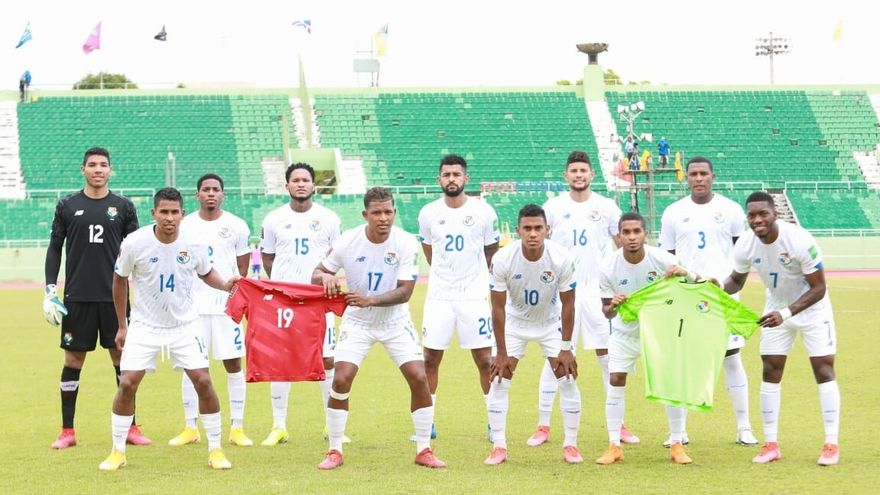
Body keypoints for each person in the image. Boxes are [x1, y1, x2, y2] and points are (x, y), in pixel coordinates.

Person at [99, 187, 237, 471]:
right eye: (164, 212)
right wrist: (122, 325)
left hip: (184, 325)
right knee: (127, 384)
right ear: (154, 213)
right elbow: (119, 279)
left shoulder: (194, 243)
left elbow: (206, 272)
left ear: (182, 214)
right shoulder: (135, 243)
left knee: (203, 381)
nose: (169, 218)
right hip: (144, 326)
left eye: (175, 212)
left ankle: (215, 449)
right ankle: (117, 451)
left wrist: (225, 285)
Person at [312, 187, 446, 470]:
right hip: (358, 323)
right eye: (377, 212)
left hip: (395, 322)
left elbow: (405, 292)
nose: (383, 218)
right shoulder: (348, 241)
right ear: (365, 214)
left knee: (419, 377)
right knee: (341, 379)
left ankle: (424, 449)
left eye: (388, 212)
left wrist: (370, 300)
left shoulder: (406, 242)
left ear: (394, 212)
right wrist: (325, 277)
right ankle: (334, 450)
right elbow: (317, 273)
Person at [528, 150, 639, 447]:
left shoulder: (607, 207)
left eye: (583, 170)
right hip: (562, 293)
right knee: (555, 357)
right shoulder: (553, 207)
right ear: (566, 175)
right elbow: (540, 248)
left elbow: (621, 247)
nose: (579, 175)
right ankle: (543, 425)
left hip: (597, 293)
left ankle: (619, 424)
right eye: (574, 171)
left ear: (592, 174)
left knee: (608, 357)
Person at [43, 147, 150, 449]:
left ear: (110, 170)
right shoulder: (67, 205)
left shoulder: (124, 207)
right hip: (77, 297)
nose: (98, 169)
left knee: (122, 359)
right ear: (83, 169)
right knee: (73, 360)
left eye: (103, 165)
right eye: (92, 165)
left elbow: (138, 251)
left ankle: (130, 427)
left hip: (115, 298)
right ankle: (67, 431)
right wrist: (50, 289)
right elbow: (55, 248)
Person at [723, 192, 840, 466]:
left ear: (775, 214)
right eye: (752, 215)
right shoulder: (746, 244)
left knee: (824, 370)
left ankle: (831, 444)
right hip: (775, 308)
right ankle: (771, 444)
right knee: (770, 370)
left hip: (812, 311)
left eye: (763, 214)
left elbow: (819, 288)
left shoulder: (798, 239)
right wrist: (713, 287)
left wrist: (785, 314)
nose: (757, 220)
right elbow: (736, 281)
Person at [658, 156, 758, 447]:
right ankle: (677, 432)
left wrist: (729, 285)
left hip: (722, 294)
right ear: (686, 178)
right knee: (680, 361)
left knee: (731, 358)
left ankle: (744, 428)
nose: (698, 178)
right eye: (693, 174)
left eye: (703, 173)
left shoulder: (731, 210)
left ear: (713, 176)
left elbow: (742, 254)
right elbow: (667, 257)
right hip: (685, 297)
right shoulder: (674, 212)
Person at [595, 212, 697, 465]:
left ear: (645, 234)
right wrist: (613, 305)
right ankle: (614, 445)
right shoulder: (608, 266)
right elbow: (606, 311)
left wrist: (685, 272)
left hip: (660, 332)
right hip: (624, 333)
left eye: (636, 232)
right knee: (615, 379)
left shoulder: (662, 259)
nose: (631, 237)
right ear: (618, 236)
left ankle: (677, 443)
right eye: (626, 232)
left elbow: (696, 282)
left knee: (670, 384)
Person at [484, 204, 582, 465]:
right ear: (518, 230)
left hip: (550, 323)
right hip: (514, 324)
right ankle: (499, 447)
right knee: (499, 381)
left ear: (547, 229)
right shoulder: (503, 259)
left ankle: (571, 445)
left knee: (567, 379)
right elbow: (497, 307)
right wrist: (501, 352)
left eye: (538, 228)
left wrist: (565, 347)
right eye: (527, 228)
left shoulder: (561, 257)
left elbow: (569, 304)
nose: (533, 233)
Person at [259, 162, 344, 446]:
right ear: (287, 186)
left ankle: (331, 425)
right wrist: (284, 286)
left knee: (327, 358)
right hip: (284, 301)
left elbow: (335, 257)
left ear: (313, 185)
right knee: (280, 360)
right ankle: (279, 426)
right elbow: (268, 257)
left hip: (318, 300)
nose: (300, 184)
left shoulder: (329, 218)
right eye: (295, 180)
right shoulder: (273, 219)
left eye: (305, 180)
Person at [416, 154, 499, 441]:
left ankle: (494, 423)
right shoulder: (428, 213)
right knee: (430, 359)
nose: (451, 179)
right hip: (439, 297)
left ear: (466, 178)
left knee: (485, 360)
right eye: (446, 175)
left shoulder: (484, 211)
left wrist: (477, 280)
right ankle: (427, 422)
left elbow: (491, 252)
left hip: (474, 297)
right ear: (439, 179)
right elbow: (430, 252)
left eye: (456, 174)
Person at [168, 174, 253, 447]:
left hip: (226, 307)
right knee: (191, 366)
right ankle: (190, 427)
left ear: (223, 194)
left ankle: (237, 427)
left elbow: (242, 268)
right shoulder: (185, 225)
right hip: (192, 308)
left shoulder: (237, 225)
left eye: (216, 189)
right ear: (197, 195)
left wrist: (236, 296)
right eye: (206, 189)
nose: (211, 193)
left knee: (233, 364)